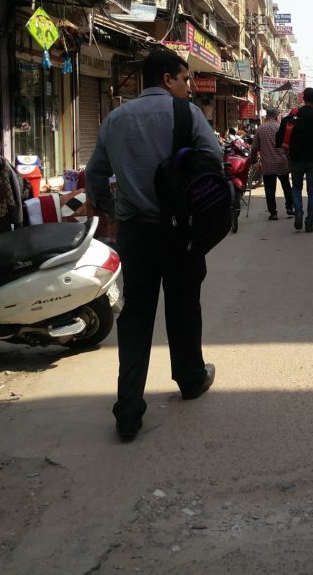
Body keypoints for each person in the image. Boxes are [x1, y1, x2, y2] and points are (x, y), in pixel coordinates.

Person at [86, 48, 223, 441]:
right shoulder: (187, 114)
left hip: (135, 232)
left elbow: (95, 176)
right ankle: (190, 378)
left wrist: (115, 210)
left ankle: (128, 409)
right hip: (180, 231)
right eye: (185, 79)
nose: (189, 86)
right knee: (184, 306)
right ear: (167, 79)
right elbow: (213, 159)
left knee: (135, 319)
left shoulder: (116, 118)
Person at [276, 87, 313, 233]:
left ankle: (298, 211)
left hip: (296, 158)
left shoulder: (295, 115)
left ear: (303, 98)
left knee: (296, 187)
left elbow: (283, 135)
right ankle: (309, 223)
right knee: (312, 191)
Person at [249, 108, 294, 221]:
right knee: (286, 187)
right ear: (276, 116)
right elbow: (288, 146)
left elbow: (254, 147)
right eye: (279, 115)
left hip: (268, 164)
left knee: (269, 189)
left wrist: (253, 160)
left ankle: (273, 213)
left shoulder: (261, 128)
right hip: (281, 162)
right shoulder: (281, 127)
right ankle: (289, 208)